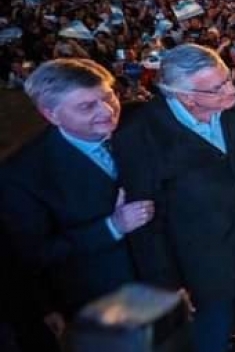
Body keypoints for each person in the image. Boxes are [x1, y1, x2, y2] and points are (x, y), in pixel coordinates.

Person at [116, 44, 235, 352]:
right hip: (200, 264)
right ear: (185, 97)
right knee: (213, 337)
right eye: (218, 87)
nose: (231, 90)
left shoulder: (234, 106)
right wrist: (168, 285)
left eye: (228, 78)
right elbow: (147, 222)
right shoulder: (141, 136)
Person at [0, 59, 147, 316]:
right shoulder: (23, 173)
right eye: (87, 106)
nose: (107, 111)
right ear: (51, 114)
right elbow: (36, 254)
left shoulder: (140, 120)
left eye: (109, 97)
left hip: (169, 281)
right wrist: (112, 227)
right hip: (102, 301)